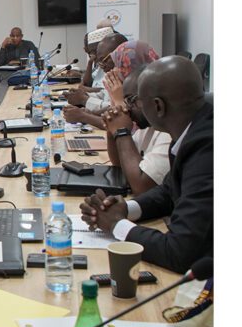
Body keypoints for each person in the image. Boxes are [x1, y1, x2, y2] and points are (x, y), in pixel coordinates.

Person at [80, 56, 213, 273]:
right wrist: (125, 209)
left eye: (134, 101)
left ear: (158, 106)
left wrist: (116, 225)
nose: (127, 108)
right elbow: (169, 191)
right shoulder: (194, 131)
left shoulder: (207, 149)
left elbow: (180, 252)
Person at [101, 64, 171, 195]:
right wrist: (112, 132)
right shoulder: (148, 125)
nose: (127, 108)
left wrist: (121, 131)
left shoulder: (169, 134)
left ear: (156, 103)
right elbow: (120, 164)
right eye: (125, 101)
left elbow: (142, 188)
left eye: (131, 100)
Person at [63, 32, 129, 129]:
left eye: (104, 59)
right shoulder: (114, 72)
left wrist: (84, 109)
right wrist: (84, 98)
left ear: (120, 55)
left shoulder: (131, 81)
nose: (101, 64)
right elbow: (105, 96)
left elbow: (117, 120)